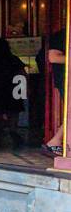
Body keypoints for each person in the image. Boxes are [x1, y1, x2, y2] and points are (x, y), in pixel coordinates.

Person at [45, 25, 66, 155]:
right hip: (66, 79)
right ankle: (54, 141)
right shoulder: (61, 35)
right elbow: (53, 57)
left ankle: (55, 141)